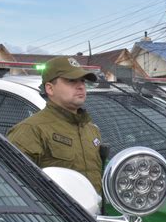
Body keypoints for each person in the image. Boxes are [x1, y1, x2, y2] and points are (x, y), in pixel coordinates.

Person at [7, 56, 103, 193]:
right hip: (54, 213)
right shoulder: (31, 130)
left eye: (82, 80)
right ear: (50, 89)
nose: (81, 86)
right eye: (71, 80)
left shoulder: (91, 130)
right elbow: (13, 189)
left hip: (94, 214)